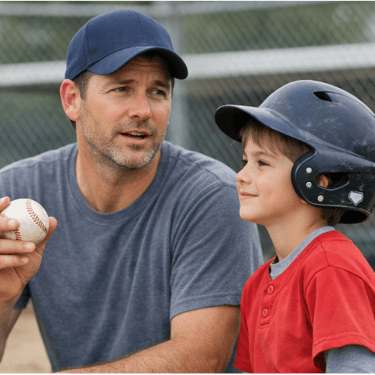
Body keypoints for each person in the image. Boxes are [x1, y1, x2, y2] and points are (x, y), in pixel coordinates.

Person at [0, 9, 263, 374]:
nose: (143, 110)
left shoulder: (211, 195)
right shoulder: (17, 194)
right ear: (72, 100)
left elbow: (201, 359)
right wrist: (2, 298)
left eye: (158, 91)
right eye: (122, 88)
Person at [214, 80, 375, 374]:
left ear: (321, 178)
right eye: (245, 160)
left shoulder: (331, 268)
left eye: (262, 163)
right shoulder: (256, 286)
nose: (241, 175)